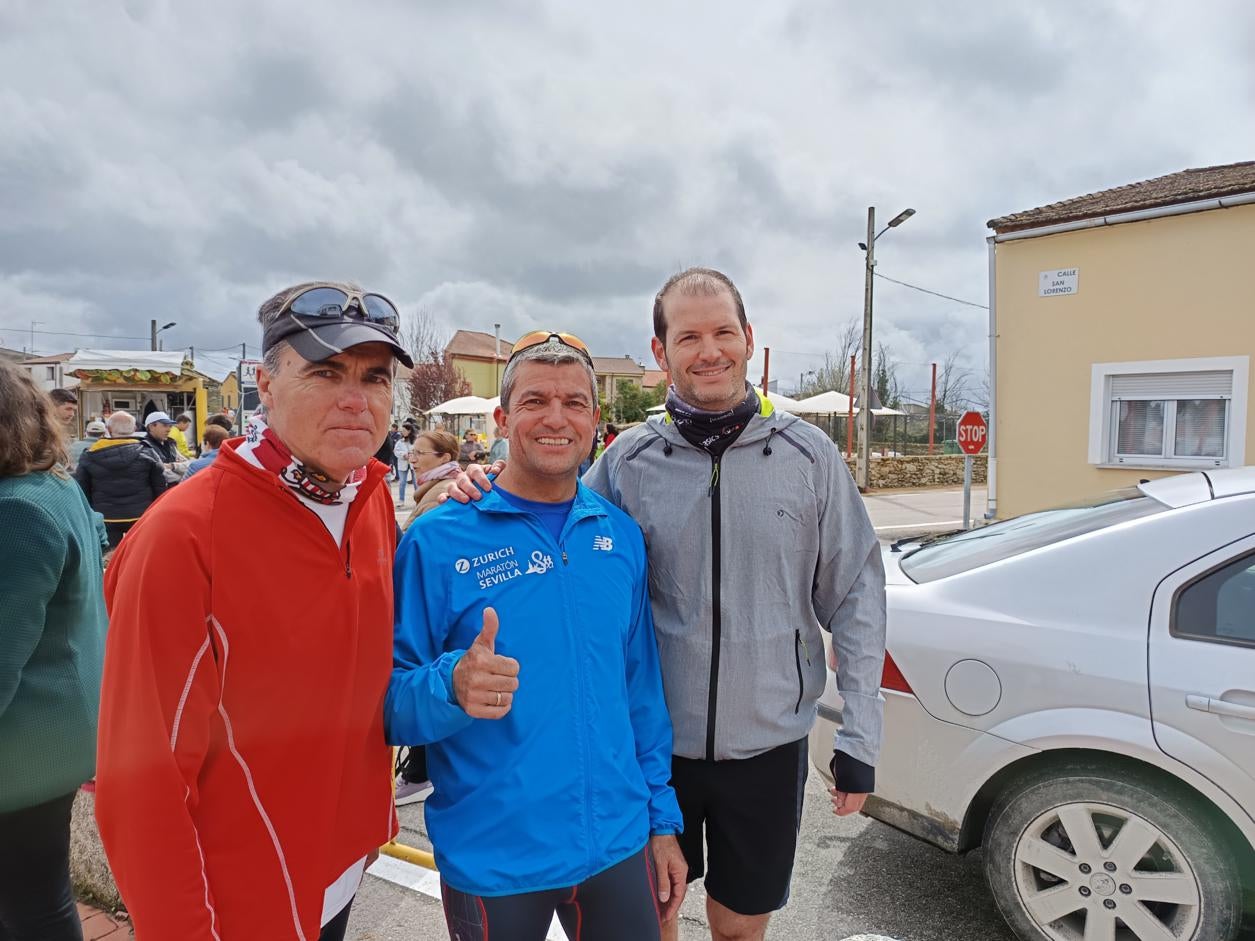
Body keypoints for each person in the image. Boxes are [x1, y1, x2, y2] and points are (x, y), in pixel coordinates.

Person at [452, 269, 886, 941]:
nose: (709, 351)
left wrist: (860, 736)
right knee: (655, 918)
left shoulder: (808, 455)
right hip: (650, 752)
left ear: (748, 339)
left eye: (723, 332)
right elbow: (553, 519)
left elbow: (856, 593)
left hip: (768, 744)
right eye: (688, 337)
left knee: (739, 925)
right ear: (661, 351)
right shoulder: (629, 460)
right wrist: (479, 484)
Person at [95, 281, 413, 940]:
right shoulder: (182, 535)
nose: (356, 399)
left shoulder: (371, 499)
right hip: (237, 900)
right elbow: (141, 781)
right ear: (265, 386)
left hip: (343, 865)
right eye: (325, 372)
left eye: (374, 378)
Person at [386, 333, 686, 941]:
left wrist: (662, 821)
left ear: (595, 421)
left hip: (618, 843)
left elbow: (641, 695)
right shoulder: (437, 540)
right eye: (534, 401)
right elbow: (388, 705)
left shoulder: (619, 535)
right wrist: (451, 686)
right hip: (496, 857)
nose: (556, 418)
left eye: (574, 403)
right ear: (502, 420)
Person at [0, 359, 108, 941]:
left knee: (31, 903)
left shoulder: (13, 510)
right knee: (37, 893)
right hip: (61, 729)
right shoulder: (54, 485)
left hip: (22, 747)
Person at [392, 427, 462, 806]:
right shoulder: (436, 489)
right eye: (413, 452)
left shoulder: (442, 495)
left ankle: (419, 772)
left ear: (444, 458)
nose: (413, 459)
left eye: (420, 453)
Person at [74, 410, 167, 548]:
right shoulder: (148, 452)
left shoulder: (90, 454)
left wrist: (88, 514)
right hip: (140, 515)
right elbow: (159, 486)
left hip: (105, 516)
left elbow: (82, 488)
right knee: (138, 554)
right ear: (134, 429)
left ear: (109, 429)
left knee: (109, 556)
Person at [139, 411, 190, 484]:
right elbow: (162, 474)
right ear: (151, 427)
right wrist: (183, 475)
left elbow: (189, 465)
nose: (169, 430)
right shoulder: (144, 447)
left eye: (170, 426)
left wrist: (172, 466)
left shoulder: (170, 444)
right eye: (165, 425)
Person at [393, 423, 418, 505]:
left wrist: (412, 454)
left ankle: (418, 499)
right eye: (402, 430)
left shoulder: (416, 441)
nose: (402, 432)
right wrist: (403, 455)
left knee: (416, 482)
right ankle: (401, 500)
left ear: (409, 431)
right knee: (402, 482)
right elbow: (395, 451)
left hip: (414, 463)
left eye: (404, 430)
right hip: (403, 463)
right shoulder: (400, 441)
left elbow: (419, 450)